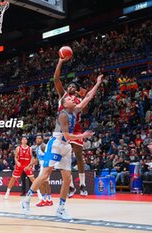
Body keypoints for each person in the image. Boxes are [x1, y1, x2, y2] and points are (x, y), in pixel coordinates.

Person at [21, 86, 97, 220]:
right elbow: (67, 136)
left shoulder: (75, 110)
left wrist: (97, 83)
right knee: (45, 175)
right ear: (64, 105)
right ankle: (26, 201)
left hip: (66, 147)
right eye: (68, 98)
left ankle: (61, 209)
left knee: (67, 178)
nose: (71, 99)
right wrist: (83, 135)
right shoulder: (63, 115)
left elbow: (88, 97)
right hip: (56, 144)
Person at [54, 57, 103, 197]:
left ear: (76, 90)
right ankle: (70, 186)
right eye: (68, 86)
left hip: (75, 129)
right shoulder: (63, 96)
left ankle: (82, 184)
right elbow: (56, 79)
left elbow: (87, 105)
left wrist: (97, 83)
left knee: (79, 156)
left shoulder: (79, 101)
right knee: (65, 159)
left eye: (72, 87)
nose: (69, 87)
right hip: (62, 130)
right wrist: (60, 61)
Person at [34, 134, 53, 207]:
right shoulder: (37, 148)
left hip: (45, 166)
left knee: (40, 182)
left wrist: (50, 165)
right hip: (43, 166)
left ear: (42, 140)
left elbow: (49, 154)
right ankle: (49, 200)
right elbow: (37, 159)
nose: (38, 140)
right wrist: (30, 165)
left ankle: (43, 200)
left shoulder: (43, 146)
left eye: (39, 138)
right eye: (37, 138)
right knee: (46, 183)